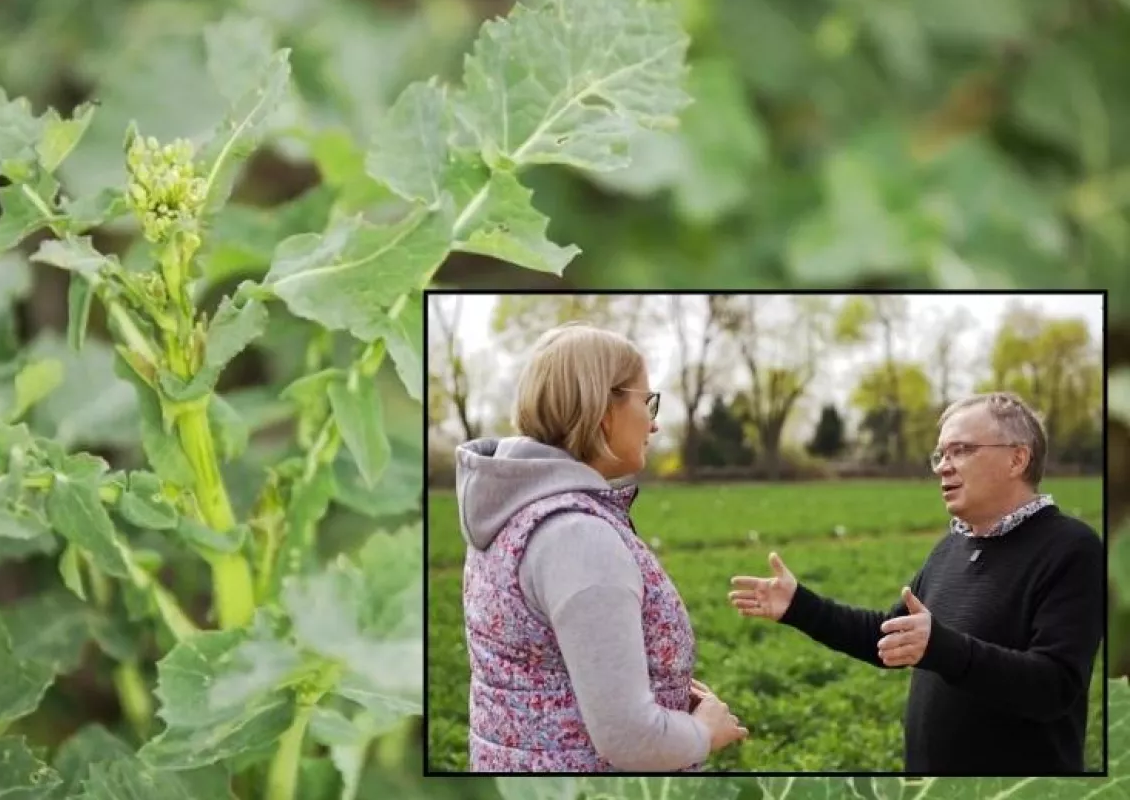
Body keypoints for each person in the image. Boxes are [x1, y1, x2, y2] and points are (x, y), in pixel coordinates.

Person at [728, 391, 1103, 774]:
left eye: (961, 450)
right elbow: (891, 637)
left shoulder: (1072, 549)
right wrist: (799, 606)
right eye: (940, 455)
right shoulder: (953, 545)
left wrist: (941, 646)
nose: (943, 466)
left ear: (1016, 458)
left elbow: (1054, 686)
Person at [455, 322, 748, 772]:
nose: (654, 421)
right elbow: (629, 739)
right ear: (602, 406)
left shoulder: (514, 509)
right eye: (646, 400)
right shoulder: (575, 536)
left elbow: (545, 669)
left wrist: (664, 685)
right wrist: (704, 733)